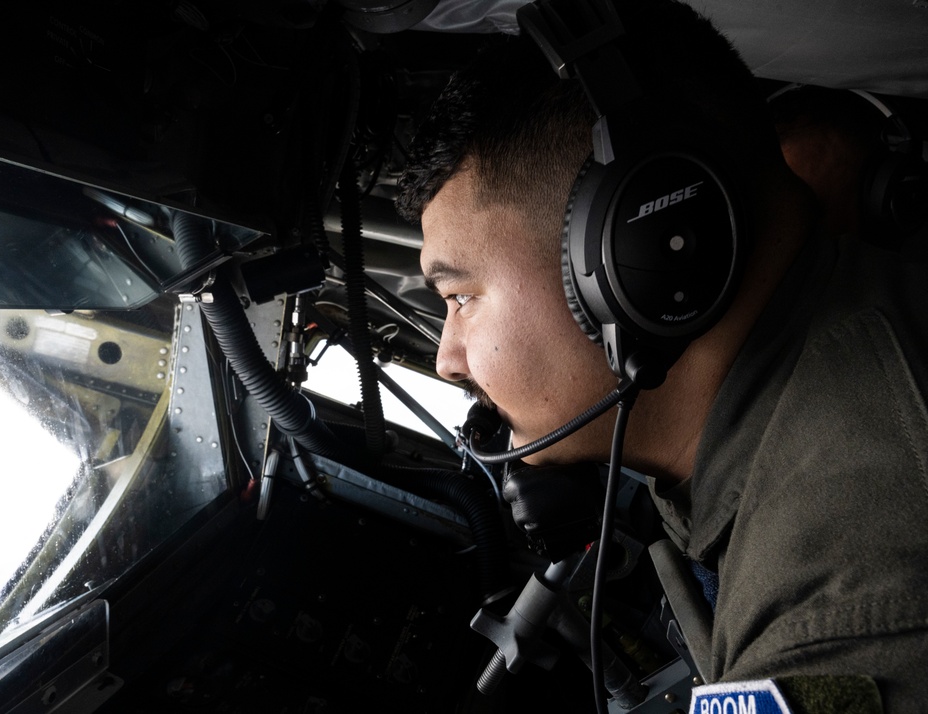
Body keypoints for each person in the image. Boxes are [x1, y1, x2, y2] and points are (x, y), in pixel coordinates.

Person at [395, 0, 928, 710]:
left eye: (460, 298)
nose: (448, 359)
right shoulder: (853, 317)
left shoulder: (842, 604)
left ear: (639, 249)